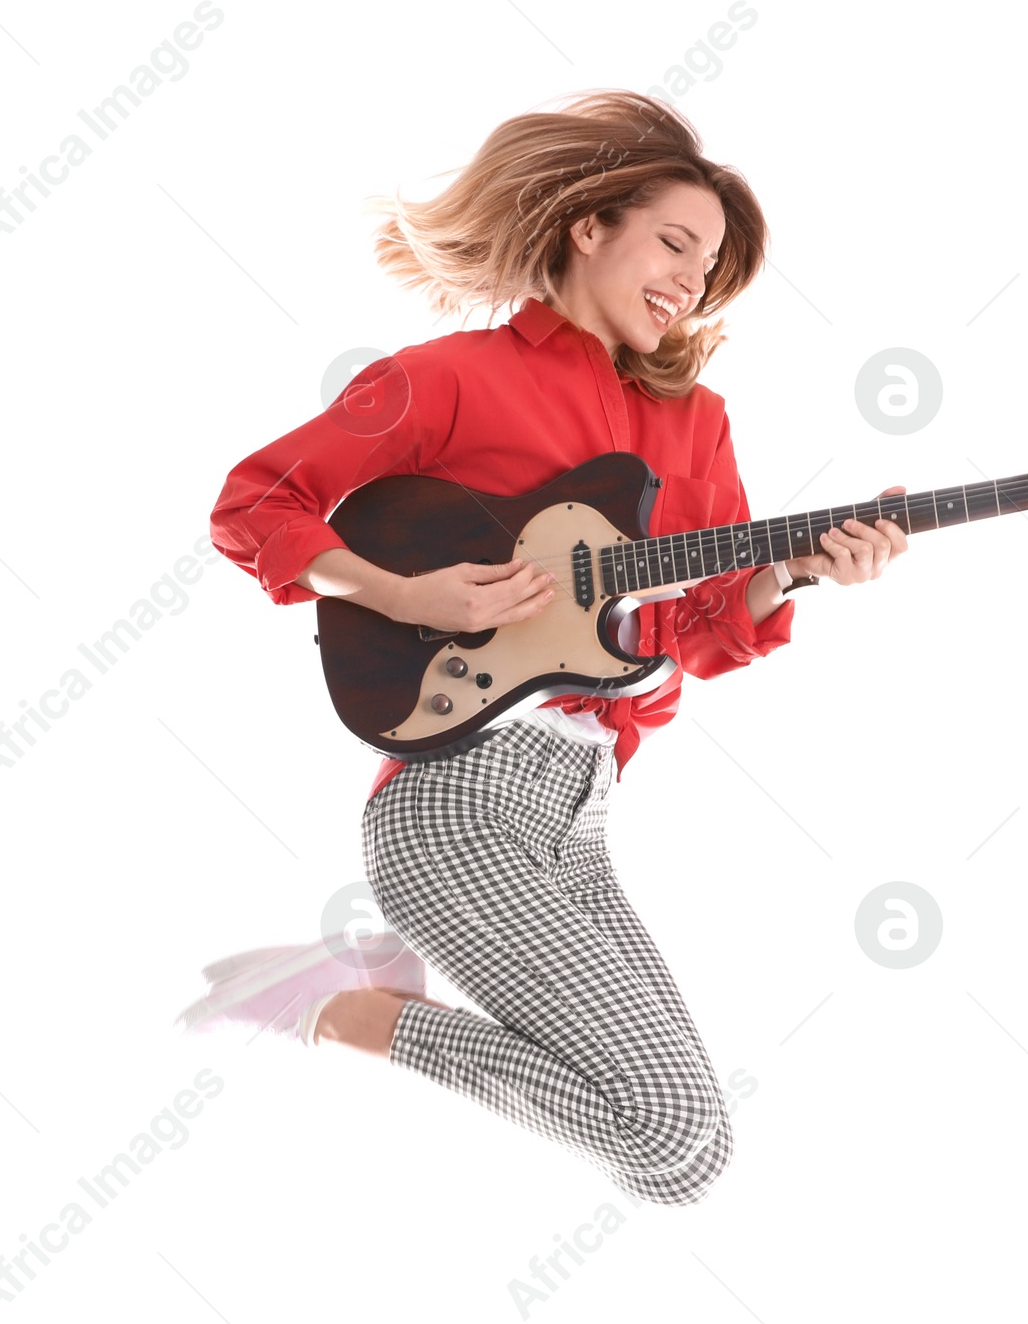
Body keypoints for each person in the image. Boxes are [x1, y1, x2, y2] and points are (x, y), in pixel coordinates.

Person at [175, 90, 906, 1205]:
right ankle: (340, 1006)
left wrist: (798, 566)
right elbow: (256, 502)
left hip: (583, 813)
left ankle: (357, 996)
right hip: (454, 802)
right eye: (674, 242)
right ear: (587, 228)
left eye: (709, 269)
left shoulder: (694, 424)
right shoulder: (452, 378)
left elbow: (699, 633)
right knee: (663, 1132)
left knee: (684, 1159)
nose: (690, 280)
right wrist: (394, 586)